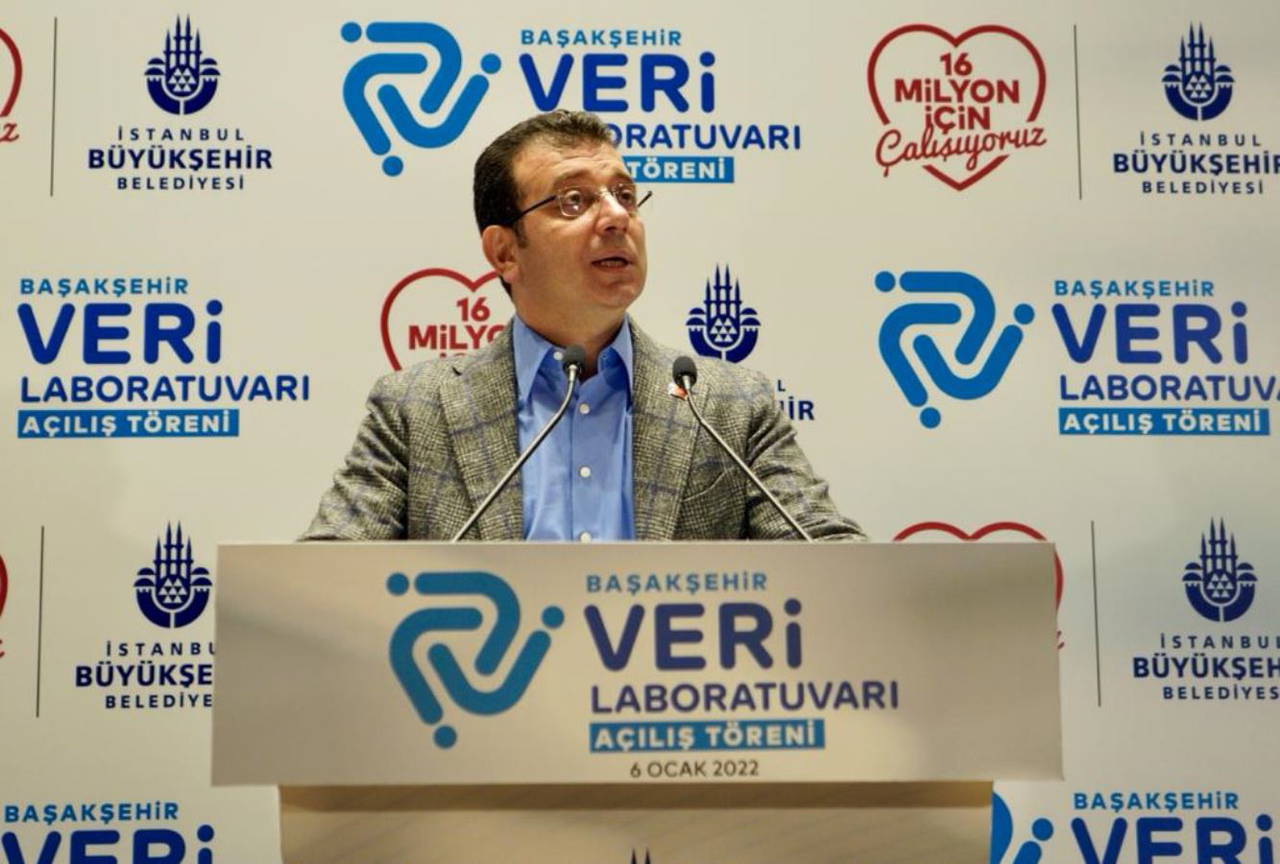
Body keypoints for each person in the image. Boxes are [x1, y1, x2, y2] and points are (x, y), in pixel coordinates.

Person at [302, 110, 862, 542]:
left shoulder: (728, 406)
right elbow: (324, 582)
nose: (616, 216)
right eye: (574, 200)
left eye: (625, 195)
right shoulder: (414, 409)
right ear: (505, 252)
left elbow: (833, 567)